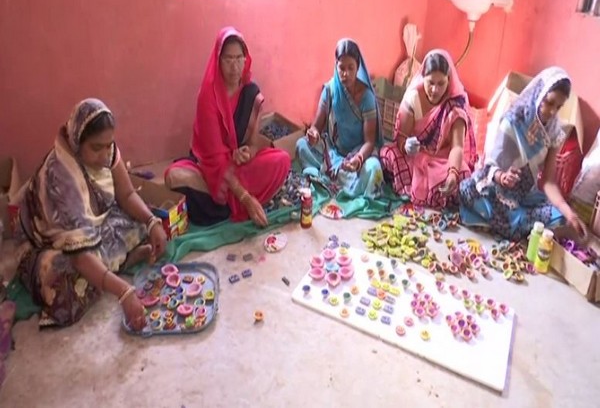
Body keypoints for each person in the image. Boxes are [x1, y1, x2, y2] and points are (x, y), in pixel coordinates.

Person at [17, 99, 167, 330]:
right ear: (77, 142)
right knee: (63, 283)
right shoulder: (62, 178)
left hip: (92, 226)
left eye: (109, 145)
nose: (105, 155)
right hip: (49, 243)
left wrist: (152, 222)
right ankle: (117, 264)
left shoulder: (108, 151)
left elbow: (126, 194)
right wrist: (124, 293)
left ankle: (115, 264)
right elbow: (80, 256)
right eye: (97, 148)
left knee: (139, 220)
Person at [165, 27, 291, 227]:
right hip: (210, 166)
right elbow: (213, 157)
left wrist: (248, 152)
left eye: (239, 58)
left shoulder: (251, 92)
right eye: (228, 59)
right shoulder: (208, 97)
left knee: (282, 160)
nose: (234, 67)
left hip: (238, 166)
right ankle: (238, 201)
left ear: (245, 59)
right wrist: (246, 198)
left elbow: (254, 142)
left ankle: (225, 203)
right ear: (218, 60)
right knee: (174, 176)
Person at [459, 67, 587, 240]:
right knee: (467, 189)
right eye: (549, 103)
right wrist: (502, 177)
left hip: (525, 194)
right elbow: (490, 166)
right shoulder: (513, 120)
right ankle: (518, 225)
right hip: (496, 188)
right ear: (539, 95)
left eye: (558, 107)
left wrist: (569, 213)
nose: (552, 112)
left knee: (561, 217)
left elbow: (548, 181)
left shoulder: (554, 131)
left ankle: (512, 224)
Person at [379, 49, 477, 208]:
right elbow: (401, 138)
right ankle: (426, 191)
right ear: (422, 77)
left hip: (441, 160)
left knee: (463, 174)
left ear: (449, 81)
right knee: (387, 154)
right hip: (414, 157)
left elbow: (457, 147)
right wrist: (406, 146)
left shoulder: (455, 106)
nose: (435, 90)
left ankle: (426, 189)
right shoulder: (413, 98)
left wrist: (452, 173)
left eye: (441, 84)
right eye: (431, 83)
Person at [296, 38, 384, 198]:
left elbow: (370, 141)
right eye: (341, 68)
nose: (346, 74)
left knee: (374, 168)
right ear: (336, 66)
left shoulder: (366, 97)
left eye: (351, 68)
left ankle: (328, 178)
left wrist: (358, 159)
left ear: (358, 68)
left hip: (358, 153)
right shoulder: (330, 90)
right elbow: (317, 126)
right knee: (301, 145)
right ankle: (334, 178)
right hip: (334, 151)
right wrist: (313, 134)